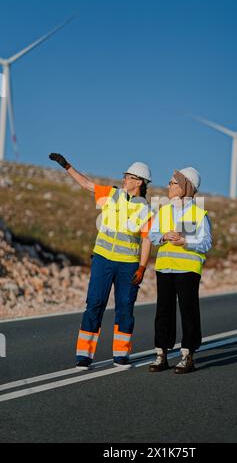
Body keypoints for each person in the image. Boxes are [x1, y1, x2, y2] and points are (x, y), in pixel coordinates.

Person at [49, 153, 153, 369]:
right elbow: (86, 184)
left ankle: (121, 355)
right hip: (103, 260)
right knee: (94, 303)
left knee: (125, 308)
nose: (124, 178)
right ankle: (84, 355)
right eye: (125, 175)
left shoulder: (145, 209)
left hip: (128, 265)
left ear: (139, 181)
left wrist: (142, 267)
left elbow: (146, 241)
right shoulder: (112, 195)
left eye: (129, 176)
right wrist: (67, 166)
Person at [148, 167, 212, 373]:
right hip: (165, 268)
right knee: (163, 312)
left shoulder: (198, 213)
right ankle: (162, 354)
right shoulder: (164, 210)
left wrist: (186, 241)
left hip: (187, 269)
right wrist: (164, 236)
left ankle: (188, 355)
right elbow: (152, 235)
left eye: (173, 182)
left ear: (186, 187)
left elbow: (206, 243)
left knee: (188, 312)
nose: (168, 186)